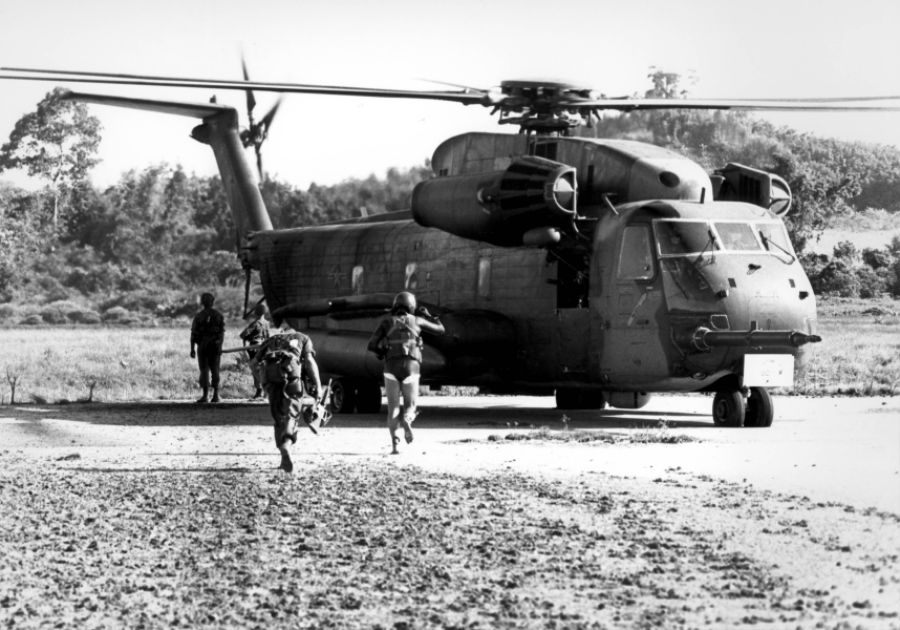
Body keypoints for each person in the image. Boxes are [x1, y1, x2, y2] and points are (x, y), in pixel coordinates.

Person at [367, 291, 445, 454]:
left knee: (393, 408)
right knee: (410, 405)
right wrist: (430, 316)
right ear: (412, 306)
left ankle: (395, 444)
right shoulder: (417, 320)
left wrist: (382, 353)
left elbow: (372, 344)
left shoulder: (386, 322)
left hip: (391, 367)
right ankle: (408, 420)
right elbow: (440, 330)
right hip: (411, 366)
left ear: (395, 305)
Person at [254, 320, 324, 473]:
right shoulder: (303, 338)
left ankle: (282, 455)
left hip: (271, 379)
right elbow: (310, 362)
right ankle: (286, 445)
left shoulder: (271, 340)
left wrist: (261, 383)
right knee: (291, 415)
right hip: (291, 378)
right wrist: (318, 386)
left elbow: (254, 362)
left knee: (278, 417)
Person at [190, 292, 225, 403]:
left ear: (202, 302)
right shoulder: (218, 315)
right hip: (214, 345)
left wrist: (192, 349)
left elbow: (193, 334)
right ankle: (216, 395)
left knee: (204, 369)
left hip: (202, 345)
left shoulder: (198, 316)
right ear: (212, 302)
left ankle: (205, 396)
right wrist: (219, 346)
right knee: (215, 369)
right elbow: (221, 334)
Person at [239, 302, 270, 399]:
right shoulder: (267, 323)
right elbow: (268, 337)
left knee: (255, 369)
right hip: (264, 347)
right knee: (262, 369)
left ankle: (260, 391)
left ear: (256, 312)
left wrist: (248, 338)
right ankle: (264, 391)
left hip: (254, 348)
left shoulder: (255, 323)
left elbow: (243, 335)